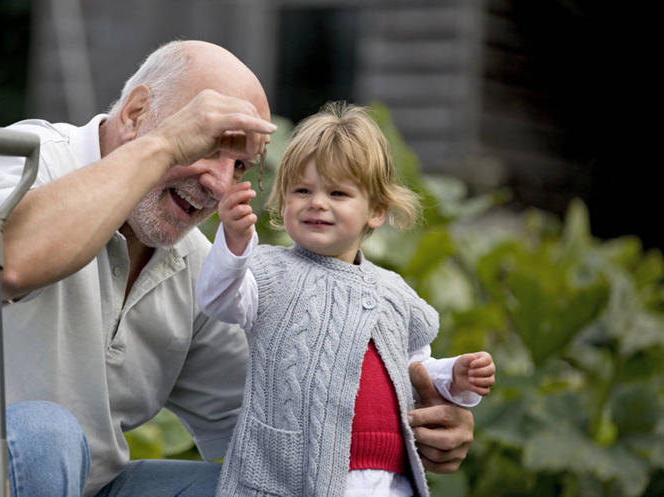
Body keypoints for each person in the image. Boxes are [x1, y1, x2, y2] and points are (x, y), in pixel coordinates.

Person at [0, 41, 474, 497]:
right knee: (41, 439)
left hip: (86, 489)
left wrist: (401, 431)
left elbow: (282, 421)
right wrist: (169, 145)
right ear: (139, 112)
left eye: (240, 164)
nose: (217, 181)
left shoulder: (197, 266)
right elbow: (12, 261)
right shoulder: (16, 158)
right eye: (208, 143)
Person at [196, 102, 495, 496]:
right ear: (284, 200)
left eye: (337, 193)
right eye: (302, 190)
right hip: (289, 476)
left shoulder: (393, 292)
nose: (317, 202)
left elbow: (414, 366)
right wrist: (233, 244)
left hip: (388, 479)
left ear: (376, 211)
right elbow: (218, 299)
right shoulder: (267, 271)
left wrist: (454, 377)